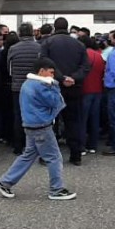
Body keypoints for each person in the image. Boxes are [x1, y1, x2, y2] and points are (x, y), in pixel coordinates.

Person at [0, 58, 77, 201]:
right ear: (41, 71)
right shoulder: (41, 86)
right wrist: (56, 85)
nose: (52, 76)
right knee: (54, 157)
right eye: (50, 72)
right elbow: (57, 102)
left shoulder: (28, 84)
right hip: (41, 125)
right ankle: (56, 189)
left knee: (28, 155)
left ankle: (5, 181)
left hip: (31, 124)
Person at [40, 17, 91, 166]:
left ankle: (47, 156)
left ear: (55, 28)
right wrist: (73, 78)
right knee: (73, 121)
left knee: (49, 122)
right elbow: (86, 66)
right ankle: (76, 155)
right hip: (74, 88)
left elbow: (44, 64)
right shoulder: (79, 44)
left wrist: (61, 78)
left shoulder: (47, 43)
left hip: (53, 86)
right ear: (67, 27)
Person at [7, 22, 42, 155]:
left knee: (19, 116)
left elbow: (9, 69)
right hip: (35, 87)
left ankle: (18, 146)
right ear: (32, 33)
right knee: (37, 116)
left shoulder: (13, 48)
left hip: (18, 87)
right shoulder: (39, 48)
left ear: (20, 33)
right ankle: (35, 146)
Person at [81, 35, 105, 154]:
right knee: (95, 119)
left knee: (82, 119)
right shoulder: (99, 55)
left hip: (85, 90)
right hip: (98, 90)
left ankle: (81, 146)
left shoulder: (82, 55)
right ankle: (93, 145)